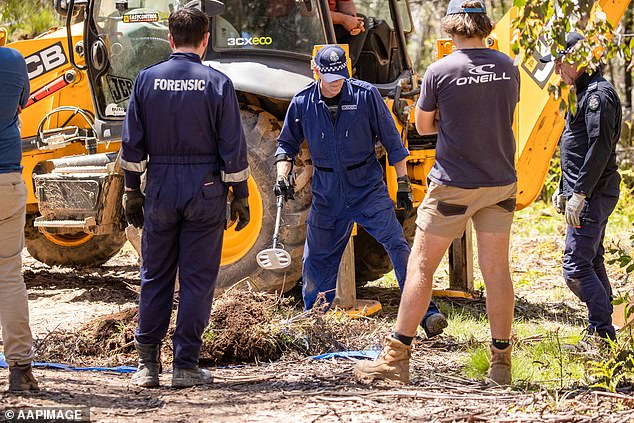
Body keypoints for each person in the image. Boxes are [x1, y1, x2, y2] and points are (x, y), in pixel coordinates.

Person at [354, 0, 520, 385]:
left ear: (451, 27)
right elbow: (502, 114)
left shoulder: (440, 70)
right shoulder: (508, 67)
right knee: (496, 272)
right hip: (499, 182)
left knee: (421, 268)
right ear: (484, 24)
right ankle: (500, 365)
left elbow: (424, 127)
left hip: (453, 186)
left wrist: (450, 113)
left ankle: (396, 359)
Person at [275, 44, 447, 339]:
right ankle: (314, 322)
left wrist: (403, 185)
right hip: (327, 192)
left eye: (339, 78)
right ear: (315, 71)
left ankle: (427, 314)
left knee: (397, 245)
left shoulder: (365, 96)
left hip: (367, 188)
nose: (334, 84)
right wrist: (282, 178)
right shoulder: (303, 102)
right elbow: (285, 147)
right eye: (328, 79)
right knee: (316, 258)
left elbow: (393, 143)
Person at [121, 7, 250, 388]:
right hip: (205, 189)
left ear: (169, 37)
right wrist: (240, 196)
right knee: (196, 279)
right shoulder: (218, 83)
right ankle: (185, 366)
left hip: (160, 186)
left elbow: (131, 146)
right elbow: (233, 147)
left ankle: (146, 366)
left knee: (155, 275)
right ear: (206, 39)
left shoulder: (146, 81)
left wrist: (131, 191)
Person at [542, 32, 622, 347]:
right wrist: (564, 189)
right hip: (586, 191)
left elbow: (599, 150)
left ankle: (602, 332)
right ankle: (603, 332)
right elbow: (576, 148)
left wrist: (580, 193)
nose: (557, 68)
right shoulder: (581, 92)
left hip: (593, 193)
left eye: (561, 61)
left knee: (575, 267)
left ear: (576, 58)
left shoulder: (597, 96)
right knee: (592, 260)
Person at [0, 46, 39, 392]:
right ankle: (20, 371)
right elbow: (20, 103)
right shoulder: (13, 61)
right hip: (7, 182)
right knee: (9, 276)